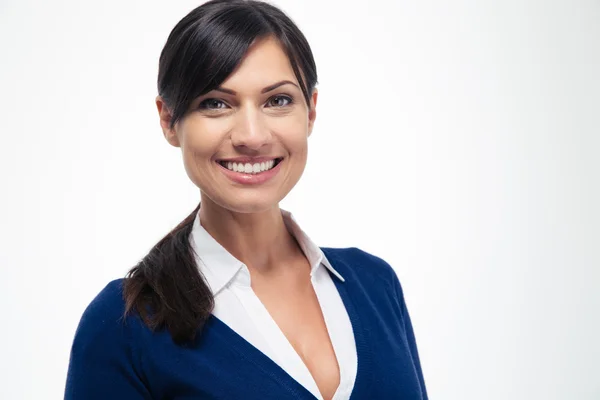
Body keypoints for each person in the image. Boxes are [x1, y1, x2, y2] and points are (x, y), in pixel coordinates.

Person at [64, 1, 428, 399]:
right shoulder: (126, 326)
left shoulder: (376, 286)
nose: (252, 136)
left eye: (278, 101)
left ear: (311, 111)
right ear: (168, 119)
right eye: (216, 103)